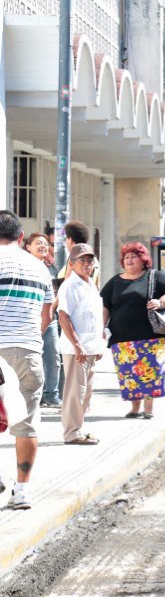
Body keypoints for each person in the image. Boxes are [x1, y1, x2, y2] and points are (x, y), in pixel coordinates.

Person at [0, 210, 54, 510]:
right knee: (27, 424)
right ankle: (21, 491)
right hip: (28, 352)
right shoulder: (40, 268)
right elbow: (47, 317)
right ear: (21, 238)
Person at [100, 242, 165, 419]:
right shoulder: (115, 281)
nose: (129, 260)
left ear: (142, 259)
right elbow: (105, 305)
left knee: (150, 371)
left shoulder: (154, 276)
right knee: (128, 373)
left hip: (151, 336)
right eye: (126, 257)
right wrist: (102, 326)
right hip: (122, 337)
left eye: (133, 256)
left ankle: (148, 407)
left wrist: (160, 302)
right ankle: (135, 407)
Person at [57, 244, 105, 445]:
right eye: (82, 260)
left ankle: (79, 429)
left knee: (86, 393)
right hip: (77, 350)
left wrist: (98, 345)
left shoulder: (90, 283)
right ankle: (72, 433)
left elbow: (93, 318)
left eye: (90, 260)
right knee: (75, 393)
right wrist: (77, 345)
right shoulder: (70, 285)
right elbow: (63, 317)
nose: (87, 264)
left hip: (90, 348)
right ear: (72, 263)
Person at [22, 233, 62, 408]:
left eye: (45, 243)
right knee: (27, 359)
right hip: (28, 318)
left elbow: (58, 292)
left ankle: (51, 395)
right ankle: (27, 396)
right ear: (28, 247)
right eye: (38, 243)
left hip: (50, 318)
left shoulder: (52, 267)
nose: (43, 246)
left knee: (53, 358)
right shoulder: (22, 266)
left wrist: (50, 311)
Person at [58, 220, 101, 288]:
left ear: (71, 240)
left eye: (66, 238)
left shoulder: (75, 259)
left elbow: (66, 285)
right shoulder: (94, 260)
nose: (65, 242)